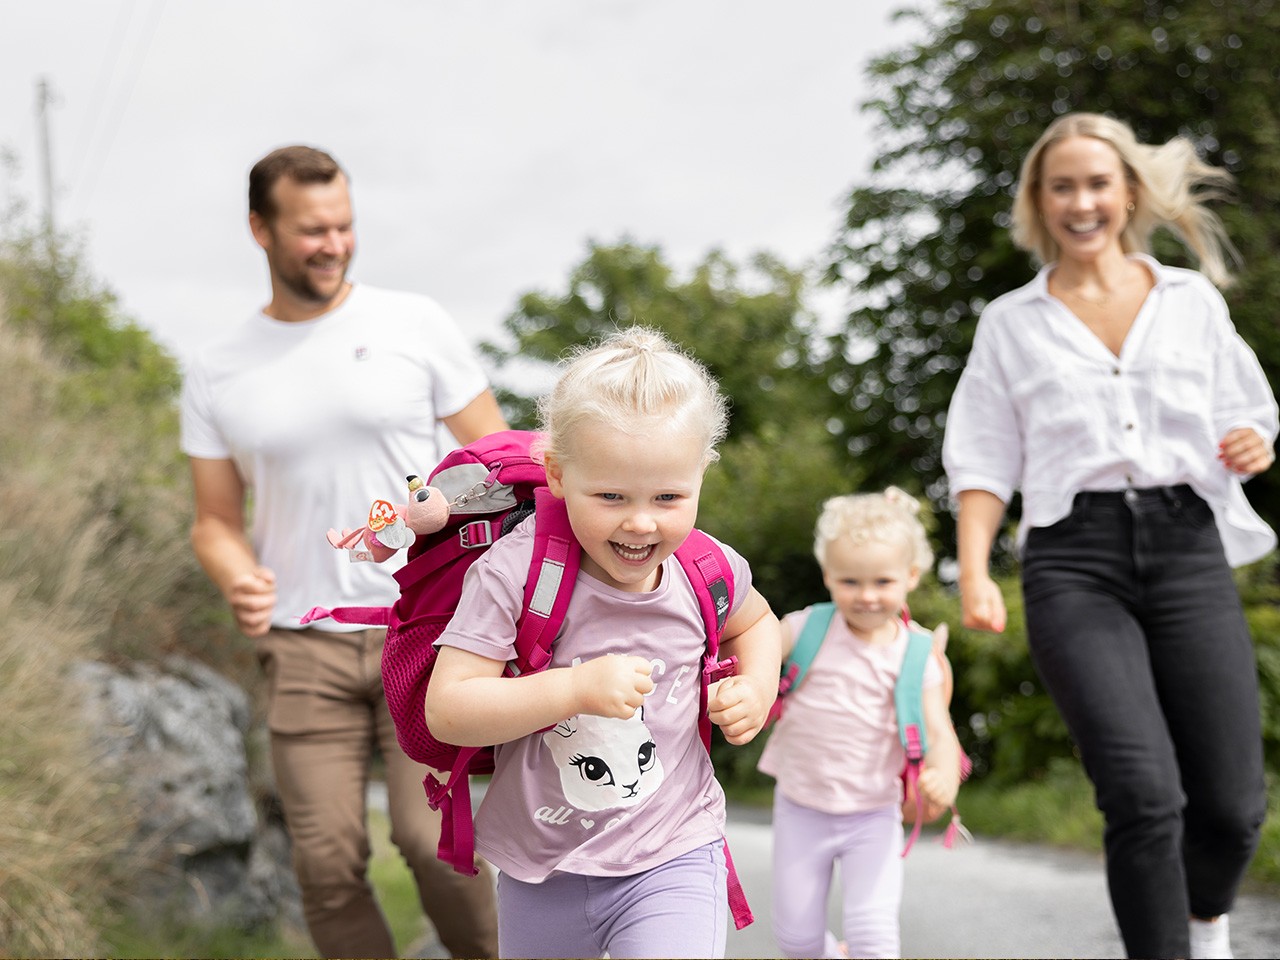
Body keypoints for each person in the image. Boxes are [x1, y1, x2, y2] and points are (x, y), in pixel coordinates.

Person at [942, 112, 1276, 960]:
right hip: (1074, 560)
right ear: (1039, 201)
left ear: (1128, 193)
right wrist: (976, 571)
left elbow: (1246, 413)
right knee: (1140, 791)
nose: (1081, 201)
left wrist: (1250, 442)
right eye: (1063, 186)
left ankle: (1206, 925)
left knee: (1234, 805)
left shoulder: (1188, 301)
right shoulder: (1010, 324)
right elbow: (982, 458)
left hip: (1186, 545)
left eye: (1098, 183)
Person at [179, 145, 503, 958]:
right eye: (311, 230)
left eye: (344, 226)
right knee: (324, 866)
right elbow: (213, 518)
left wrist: (446, 519)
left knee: (433, 846)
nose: (332, 244)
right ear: (260, 229)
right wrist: (234, 573)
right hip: (302, 642)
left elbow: (502, 462)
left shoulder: (413, 323)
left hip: (425, 629)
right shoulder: (216, 367)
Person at [422, 326, 782, 959]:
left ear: (700, 475)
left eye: (668, 497)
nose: (640, 522)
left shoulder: (707, 569)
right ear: (559, 475)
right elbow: (449, 709)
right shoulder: (513, 574)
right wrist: (572, 688)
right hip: (542, 869)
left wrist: (756, 684)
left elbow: (756, 623)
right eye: (611, 496)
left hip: (675, 850)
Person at [757, 488, 961, 960]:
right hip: (801, 807)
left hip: (874, 814)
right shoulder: (806, 627)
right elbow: (754, 647)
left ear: (911, 577)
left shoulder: (916, 651)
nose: (866, 596)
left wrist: (945, 774)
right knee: (797, 940)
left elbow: (940, 729)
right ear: (827, 574)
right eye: (850, 581)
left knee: (874, 938)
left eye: (882, 582)